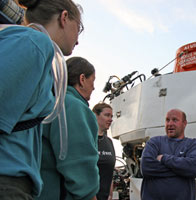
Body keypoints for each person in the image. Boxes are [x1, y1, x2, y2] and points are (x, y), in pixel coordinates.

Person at [0, 0, 82, 199]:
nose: (78, 40)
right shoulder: (35, 42)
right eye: (78, 28)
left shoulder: (34, 47)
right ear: (64, 18)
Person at [38, 57, 99, 200]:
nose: (94, 87)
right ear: (82, 79)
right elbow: (78, 165)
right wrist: (89, 195)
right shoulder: (72, 106)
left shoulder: (51, 102)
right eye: (93, 80)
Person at [140, 109, 196, 200]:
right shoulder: (154, 142)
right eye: (167, 120)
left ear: (184, 123)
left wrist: (163, 158)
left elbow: (195, 168)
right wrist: (182, 169)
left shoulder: (193, 144)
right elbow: (146, 167)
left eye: (175, 120)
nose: (170, 124)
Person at [92, 103, 116, 200]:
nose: (110, 119)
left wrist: (110, 193)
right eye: (107, 115)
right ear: (95, 115)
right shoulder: (87, 139)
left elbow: (109, 169)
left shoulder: (109, 142)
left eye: (111, 116)